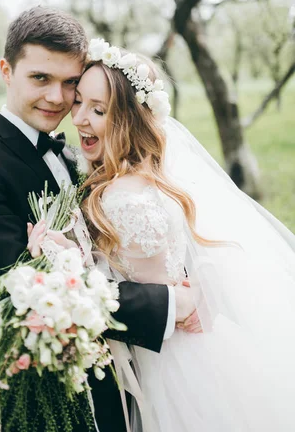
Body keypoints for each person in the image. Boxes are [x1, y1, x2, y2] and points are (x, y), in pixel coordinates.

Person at [0, 7, 197, 432]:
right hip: (46, 392)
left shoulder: (80, 154)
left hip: (123, 375)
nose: (58, 98)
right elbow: (22, 292)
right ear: (6, 70)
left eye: (69, 83)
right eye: (41, 78)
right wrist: (169, 304)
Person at [39, 37, 295, 432]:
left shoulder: (121, 197)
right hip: (188, 337)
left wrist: (61, 254)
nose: (79, 119)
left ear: (127, 117)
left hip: (170, 355)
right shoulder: (147, 176)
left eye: (98, 109)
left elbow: (108, 278)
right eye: (78, 103)